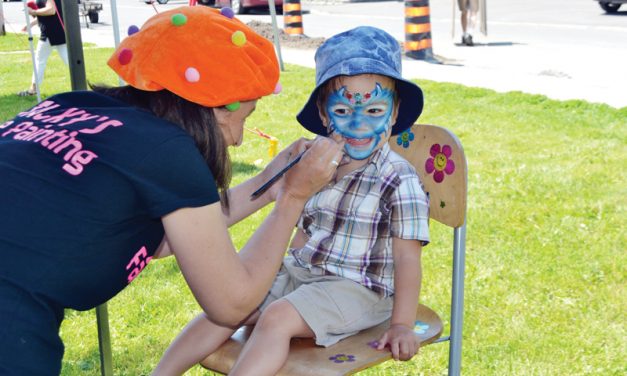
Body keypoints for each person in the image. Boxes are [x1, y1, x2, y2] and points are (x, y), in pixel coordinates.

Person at [0, 7, 345, 375]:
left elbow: (168, 239)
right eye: (242, 118)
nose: (239, 140)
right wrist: (292, 198)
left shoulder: (67, 106)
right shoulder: (167, 150)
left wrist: (270, 183)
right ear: (210, 107)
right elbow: (231, 305)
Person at [154, 26, 430, 376]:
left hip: (361, 290)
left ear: (394, 114)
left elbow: (408, 259)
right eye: (343, 112)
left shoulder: (399, 178)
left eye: (375, 111)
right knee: (226, 310)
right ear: (324, 114)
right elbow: (306, 229)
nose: (359, 123)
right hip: (304, 274)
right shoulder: (316, 165)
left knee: (277, 316)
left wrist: (402, 323)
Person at [18, 0, 68, 96]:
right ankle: (33, 88)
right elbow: (46, 13)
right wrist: (30, 25)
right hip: (56, 33)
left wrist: (33, 12)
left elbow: (51, 10)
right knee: (69, 61)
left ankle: (33, 88)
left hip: (51, 33)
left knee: (40, 61)